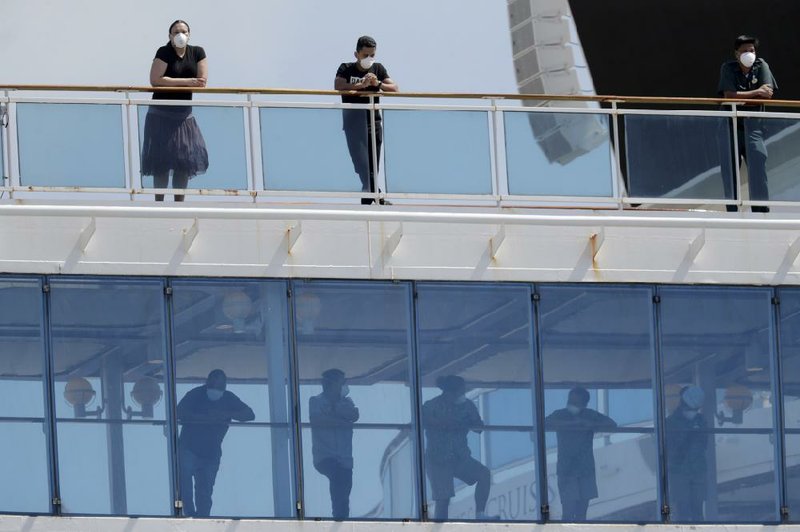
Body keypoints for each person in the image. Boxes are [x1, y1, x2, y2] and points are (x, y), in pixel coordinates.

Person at [142, 20, 209, 202]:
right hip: (160, 114)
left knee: (183, 161)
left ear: (189, 34)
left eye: (184, 31)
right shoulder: (164, 52)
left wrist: (174, 80)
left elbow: (201, 81)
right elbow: (155, 80)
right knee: (162, 161)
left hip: (183, 116)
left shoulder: (197, 52)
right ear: (170, 36)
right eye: (176, 31)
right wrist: (187, 82)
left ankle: (179, 204)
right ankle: (159, 203)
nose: (180, 34)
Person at [177, 369, 255, 517]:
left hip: (211, 453)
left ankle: (203, 519)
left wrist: (228, 414)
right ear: (207, 383)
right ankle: (188, 514)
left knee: (205, 490)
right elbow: (179, 412)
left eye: (220, 387)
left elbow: (250, 414)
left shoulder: (228, 399)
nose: (216, 390)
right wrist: (202, 417)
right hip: (189, 449)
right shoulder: (195, 395)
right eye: (213, 386)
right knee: (184, 483)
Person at [334, 35, 398, 205]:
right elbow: (338, 86)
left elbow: (394, 88)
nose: (369, 59)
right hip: (353, 122)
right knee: (360, 162)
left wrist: (378, 84)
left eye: (372, 55)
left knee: (373, 162)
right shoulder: (346, 68)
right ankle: (374, 195)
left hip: (373, 122)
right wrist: (360, 85)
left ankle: (369, 198)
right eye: (365, 55)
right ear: (357, 54)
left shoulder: (378, 69)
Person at [718, 35, 777, 213]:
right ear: (737, 54)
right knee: (730, 171)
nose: (748, 54)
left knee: (758, 164)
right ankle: (733, 212)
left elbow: (768, 94)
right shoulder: (728, 68)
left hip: (754, 128)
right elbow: (729, 96)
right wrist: (756, 92)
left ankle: (760, 212)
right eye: (744, 51)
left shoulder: (761, 66)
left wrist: (744, 96)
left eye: (751, 50)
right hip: (730, 127)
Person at [422, 375, 494, 520]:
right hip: (438, 459)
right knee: (444, 498)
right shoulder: (431, 406)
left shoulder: (467, 405)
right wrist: (441, 422)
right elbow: (418, 422)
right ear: (450, 392)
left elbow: (479, 428)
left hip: (460, 457)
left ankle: (480, 515)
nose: (463, 394)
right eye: (461, 391)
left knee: (484, 474)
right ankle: (440, 527)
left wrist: (469, 420)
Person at [544, 387, 617, 521]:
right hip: (567, 469)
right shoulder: (560, 414)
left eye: (576, 402)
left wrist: (589, 424)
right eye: (570, 401)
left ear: (584, 404)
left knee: (581, 514)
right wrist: (568, 424)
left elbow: (612, 425)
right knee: (568, 511)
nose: (571, 405)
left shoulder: (590, 415)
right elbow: (543, 424)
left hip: (585, 469)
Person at [309, 368, 359, 519]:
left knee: (345, 489)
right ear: (332, 384)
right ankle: (339, 518)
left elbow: (354, 415)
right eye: (341, 382)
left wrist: (336, 408)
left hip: (344, 457)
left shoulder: (347, 402)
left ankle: (343, 518)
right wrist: (340, 421)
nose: (344, 385)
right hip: (325, 455)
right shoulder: (316, 401)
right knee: (337, 479)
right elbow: (318, 421)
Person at [665, 385, 708, 522]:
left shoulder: (701, 421)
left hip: (697, 470)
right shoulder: (670, 423)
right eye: (691, 408)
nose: (693, 412)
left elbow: (704, 444)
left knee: (698, 511)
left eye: (695, 409)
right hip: (679, 471)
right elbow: (670, 448)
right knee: (682, 510)